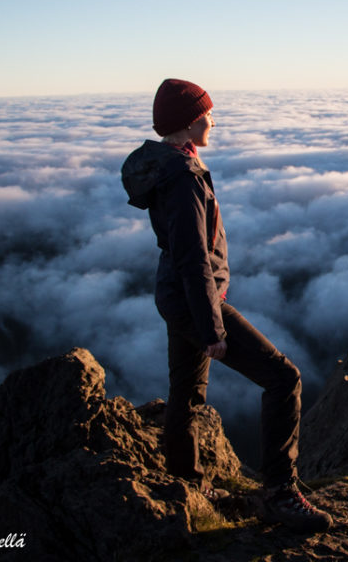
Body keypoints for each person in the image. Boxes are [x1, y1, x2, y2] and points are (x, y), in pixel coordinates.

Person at [121, 79, 332, 533]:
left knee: (187, 392)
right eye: (208, 114)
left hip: (178, 298)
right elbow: (193, 257)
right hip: (193, 302)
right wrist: (212, 326)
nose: (213, 121)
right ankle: (279, 492)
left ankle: (185, 483)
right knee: (283, 378)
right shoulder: (180, 177)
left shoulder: (173, 165)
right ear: (189, 120)